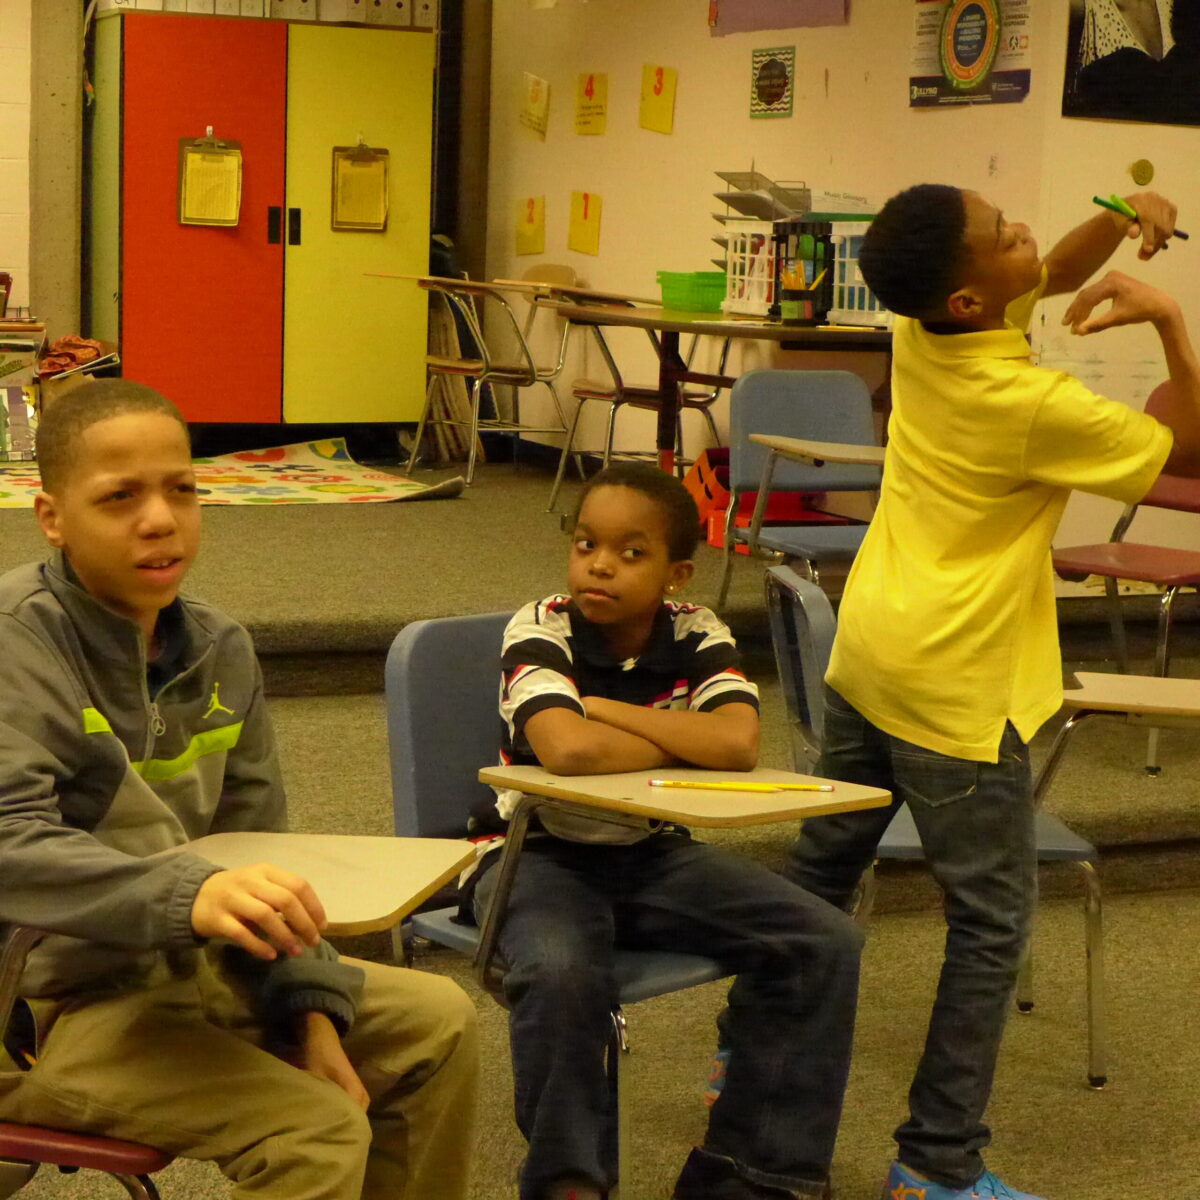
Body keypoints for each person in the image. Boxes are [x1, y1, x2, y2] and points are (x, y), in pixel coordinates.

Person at [782, 184, 1200, 1200]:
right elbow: (1184, 450)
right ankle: (936, 1164)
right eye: (1003, 231)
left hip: (873, 651)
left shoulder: (922, 328)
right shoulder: (1030, 407)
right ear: (969, 296)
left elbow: (1045, 273)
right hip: (958, 689)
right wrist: (1172, 327)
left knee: (817, 882)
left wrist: (1119, 217)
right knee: (989, 927)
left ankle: (738, 1073)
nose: (1026, 230)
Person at [0, 380, 479, 1199]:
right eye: (120, 498)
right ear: (52, 517)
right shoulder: (16, 645)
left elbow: (263, 852)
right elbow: (11, 851)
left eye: (181, 489)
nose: (160, 519)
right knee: (316, 1133)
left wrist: (309, 1015)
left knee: (439, 1022)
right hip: (44, 1009)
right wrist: (195, 890)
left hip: (191, 975)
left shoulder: (221, 647)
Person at [462, 460, 863, 1200]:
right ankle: (569, 1185)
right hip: (533, 855)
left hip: (649, 851)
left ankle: (752, 1173)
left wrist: (603, 708)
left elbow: (738, 745)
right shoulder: (541, 624)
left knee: (823, 941)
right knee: (563, 970)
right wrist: (681, 736)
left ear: (677, 574)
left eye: (630, 552)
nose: (600, 565)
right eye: (586, 545)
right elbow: (566, 749)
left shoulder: (696, 631)